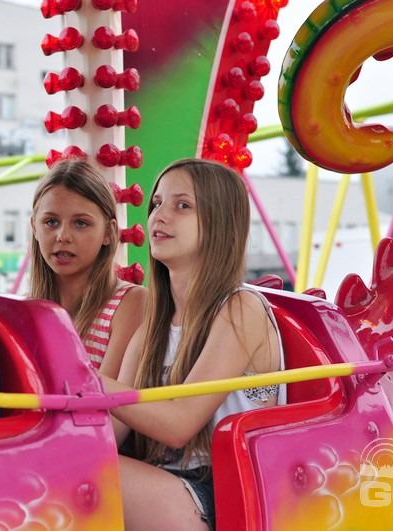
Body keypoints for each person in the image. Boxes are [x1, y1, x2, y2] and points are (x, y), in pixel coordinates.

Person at [102, 158, 287, 530]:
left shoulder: (241, 309)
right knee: (63, 464)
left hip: (223, 491)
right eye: (156, 204)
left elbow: (180, 424)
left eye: (182, 205)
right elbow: (110, 433)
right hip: (165, 481)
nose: (159, 216)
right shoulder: (152, 326)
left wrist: (89, 381)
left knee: (83, 474)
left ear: (219, 223)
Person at [30, 159, 145, 378]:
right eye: (51, 222)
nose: (63, 236)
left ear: (109, 232)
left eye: (81, 223)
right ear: (34, 227)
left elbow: (110, 398)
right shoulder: (28, 309)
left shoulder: (131, 302)